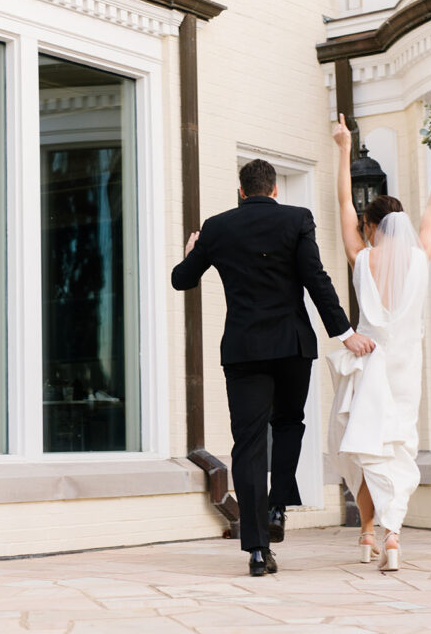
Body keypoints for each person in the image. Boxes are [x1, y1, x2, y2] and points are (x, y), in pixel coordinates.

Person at [172, 158, 372, 577]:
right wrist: (344, 332)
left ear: (241, 191)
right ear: (274, 189)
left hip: (244, 349)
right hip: (291, 345)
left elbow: (182, 279)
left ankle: (258, 550)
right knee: (288, 423)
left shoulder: (217, 227)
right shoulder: (297, 219)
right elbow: (316, 278)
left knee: (247, 443)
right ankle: (278, 506)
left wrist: (192, 252)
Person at [327, 113, 431, 572]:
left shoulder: (362, 260)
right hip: (405, 373)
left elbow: (342, 201)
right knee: (398, 448)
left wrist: (344, 148)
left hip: (370, 369)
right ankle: (393, 536)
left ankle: (366, 533)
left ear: (371, 224)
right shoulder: (421, 259)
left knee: (367, 449)